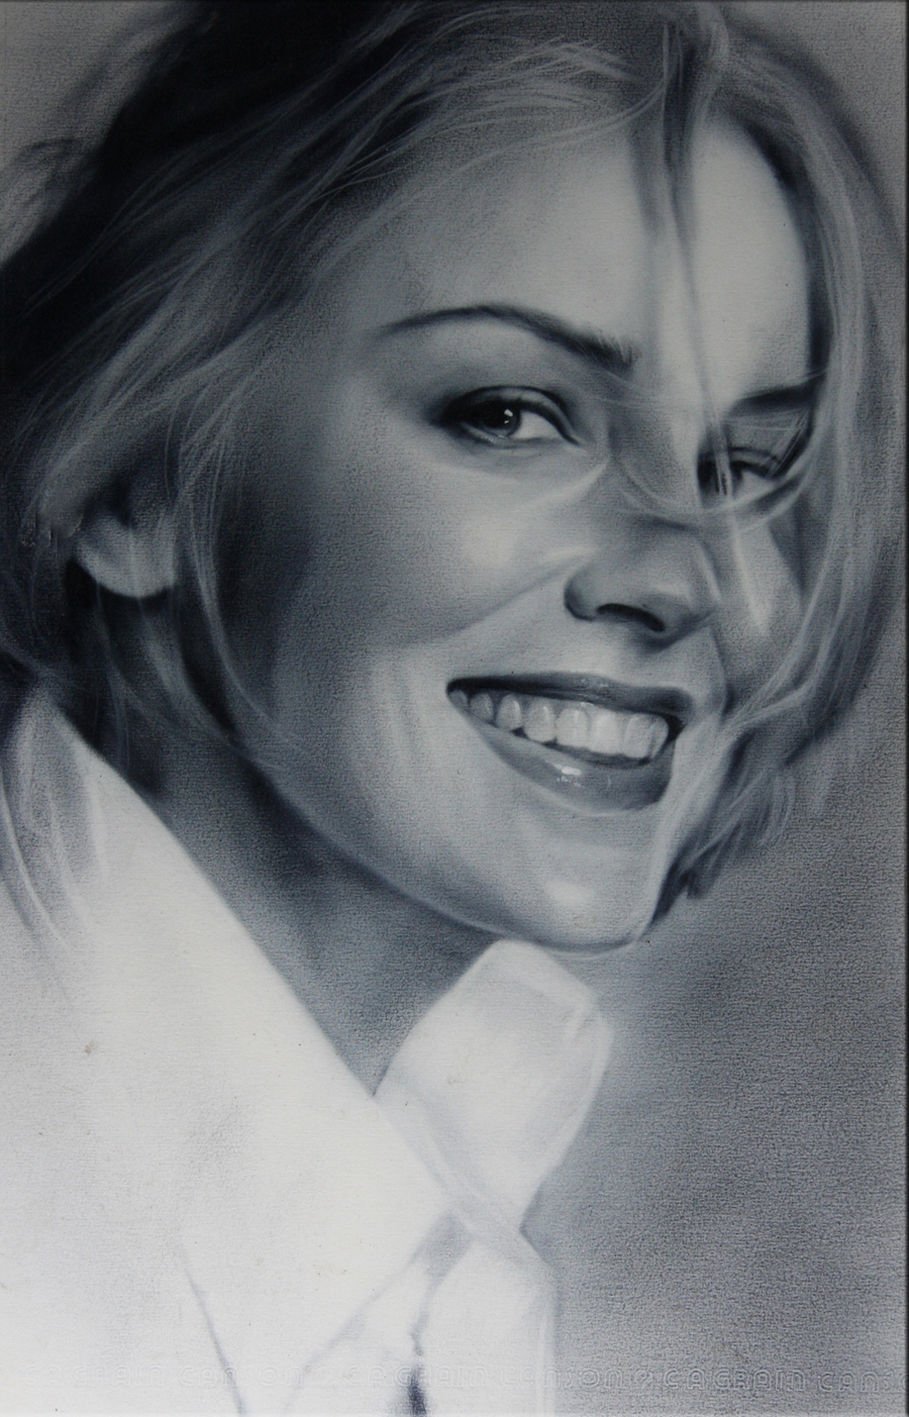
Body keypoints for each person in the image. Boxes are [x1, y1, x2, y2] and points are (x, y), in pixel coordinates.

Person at [0, 2, 901, 1412]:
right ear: (131, 483)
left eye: (742, 467)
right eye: (511, 413)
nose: (693, 582)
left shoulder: (467, 1131)